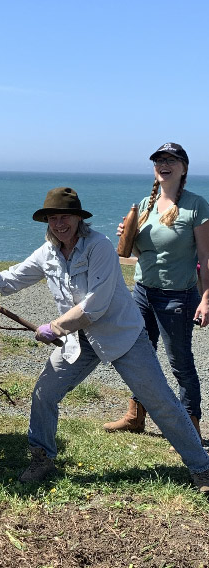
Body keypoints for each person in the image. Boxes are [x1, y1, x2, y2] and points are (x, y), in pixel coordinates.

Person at [0, 186, 209, 494]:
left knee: (160, 401)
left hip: (121, 334)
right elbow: (9, 279)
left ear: (78, 219)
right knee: (44, 393)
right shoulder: (48, 253)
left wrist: (54, 328)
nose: (59, 224)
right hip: (78, 339)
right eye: (53, 218)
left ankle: (201, 467)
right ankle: (41, 457)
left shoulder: (99, 247)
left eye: (65, 217)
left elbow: (95, 305)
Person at [103, 143, 209, 441]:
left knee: (180, 364)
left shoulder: (196, 205)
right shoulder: (145, 204)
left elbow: (205, 256)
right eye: (159, 160)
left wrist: (206, 298)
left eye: (171, 160)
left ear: (183, 168)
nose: (164, 164)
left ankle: (190, 429)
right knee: (139, 357)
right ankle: (136, 416)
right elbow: (143, 252)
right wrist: (127, 236)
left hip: (177, 296)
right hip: (142, 292)